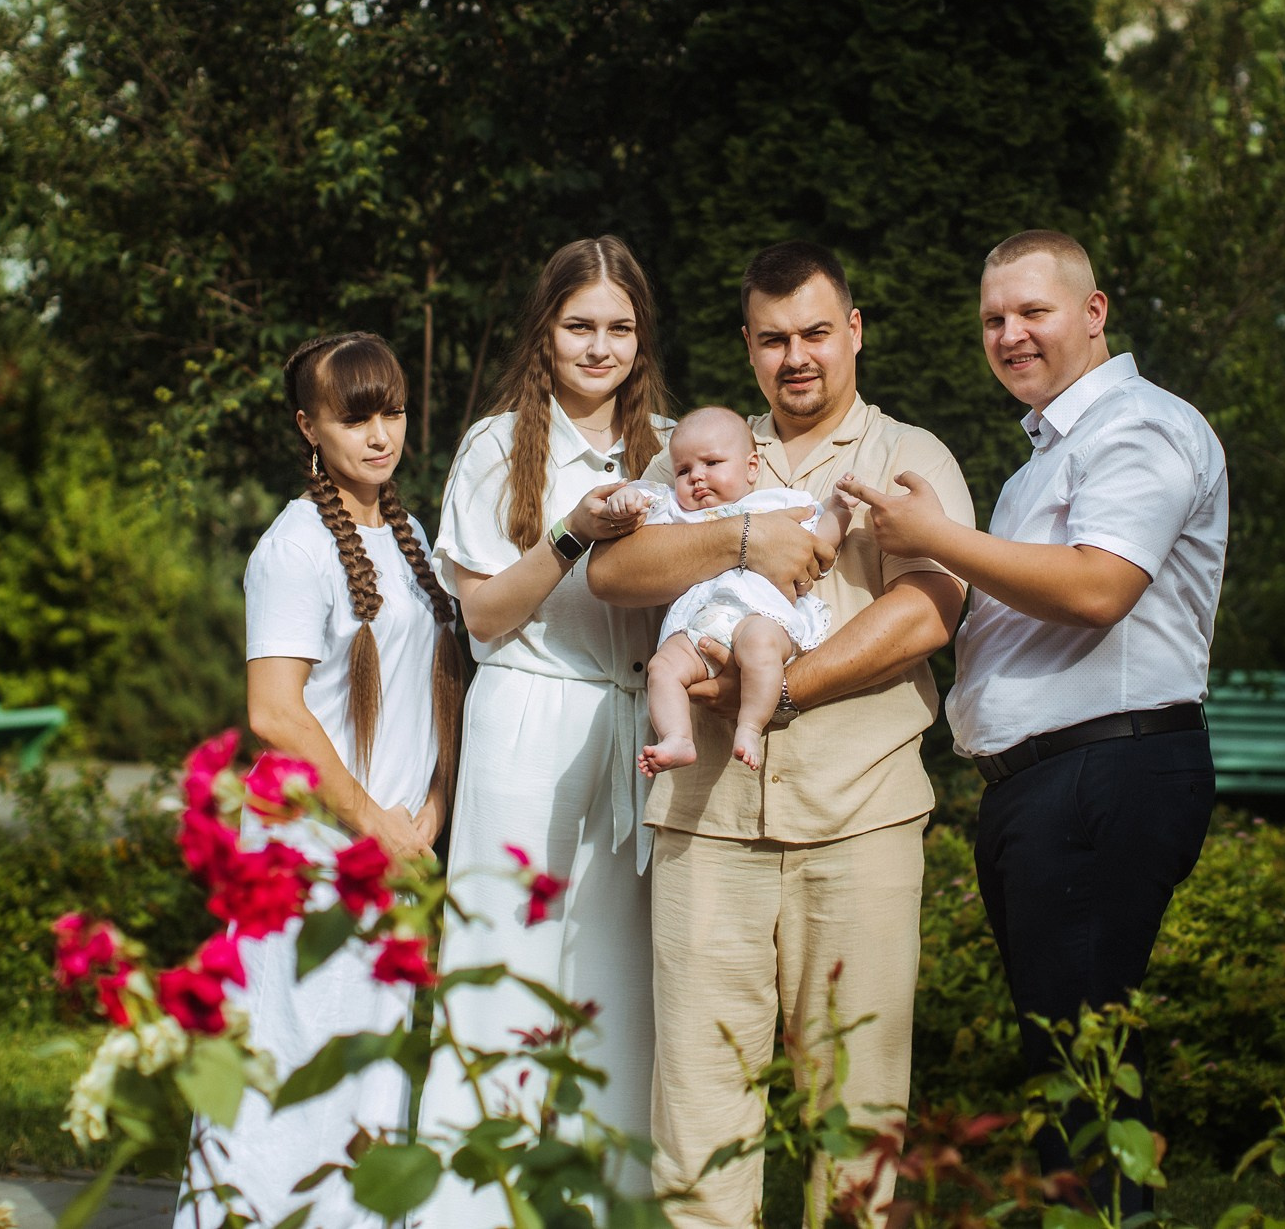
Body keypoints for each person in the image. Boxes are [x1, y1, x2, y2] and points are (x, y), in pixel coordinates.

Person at [585, 241, 975, 1228]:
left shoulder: (909, 455)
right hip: (707, 824)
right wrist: (741, 536)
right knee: (698, 1109)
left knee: (857, 1114)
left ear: (854, 331)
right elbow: (612, 572)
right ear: (748, 346)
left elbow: (931, 609)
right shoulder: (706, 449)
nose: (794, 356)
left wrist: (786, 686)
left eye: (814, 332)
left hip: (859, 817)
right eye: (771, 339)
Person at [840, 230, 1228, 1217]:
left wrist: (939, 537)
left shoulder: (1138, 427)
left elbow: (1098, 588)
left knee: (1082, 1061)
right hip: (1049, 786)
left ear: (1093, 313)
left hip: (1107, 768)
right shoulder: (1041, 463)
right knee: (1067, 1057)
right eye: (992, 319)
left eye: (1032, 312)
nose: (1009, 334)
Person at [417, 236, 673, 1226]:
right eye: (579, 326)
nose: (600, 347)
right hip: (528, 712)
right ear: (545, 334)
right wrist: (573, 532)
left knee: (619, 988)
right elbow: (482, 617)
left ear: (641, 338)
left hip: (634, 721)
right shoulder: (496, 446)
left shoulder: (671, 443)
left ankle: (608, 1206)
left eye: (619, 327)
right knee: (505, 973)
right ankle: (470, 1206)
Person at [183, 331, 462, 1229]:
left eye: (394, 412)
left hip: (391, 845)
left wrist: (430, 810)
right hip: (309, 859)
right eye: (355, 417)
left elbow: (433, 691)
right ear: (309, 426)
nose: (381, 435)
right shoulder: (293, 548)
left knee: (367, 1081)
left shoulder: (412, 538)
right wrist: (378, 825)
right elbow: (275, 712)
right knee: (289, 1076)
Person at [603, 405, 858, 776]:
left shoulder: (775, 503)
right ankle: (677, 737)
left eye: (712, 463)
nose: (696, 477)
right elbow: (644, 502)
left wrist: (839, 509)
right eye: (683, 470)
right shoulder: (678, 511)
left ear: (751, 467)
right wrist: (626, 500)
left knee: (760, 647)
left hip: (760, 613)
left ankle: (750, 726)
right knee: (662, 667)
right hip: (698, 621)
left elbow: (820, 543)